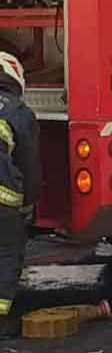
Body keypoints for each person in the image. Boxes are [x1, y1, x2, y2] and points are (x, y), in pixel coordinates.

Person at [0, 53, 40, 339]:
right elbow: (29, 166)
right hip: (3, 201)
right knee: (7, 254)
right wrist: (28, 204)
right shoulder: (17, 112)